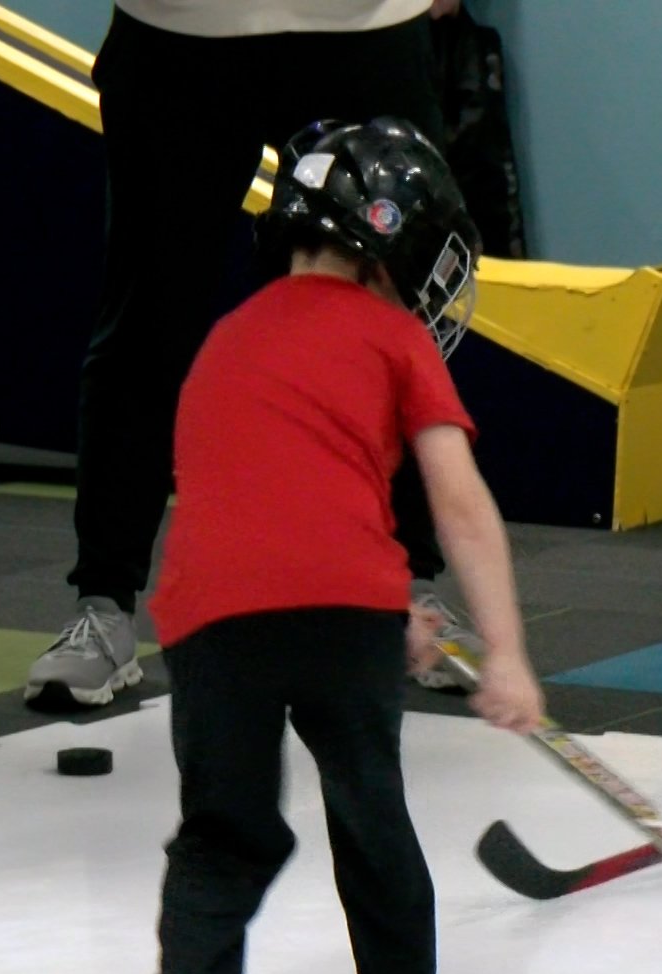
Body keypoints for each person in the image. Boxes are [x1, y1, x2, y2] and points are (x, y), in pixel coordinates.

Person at [136, 117, 543, 974]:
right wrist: (506, 652)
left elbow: (257, 510)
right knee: (373, 829)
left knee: (223, 837)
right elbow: (460, 508)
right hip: (343, 609)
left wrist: (378, 609)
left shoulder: (225, 341)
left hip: (206, 615)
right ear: (395, 238)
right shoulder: (398, 336)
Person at [26, 0, 477, 710]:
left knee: (391, 313)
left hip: (361, 27)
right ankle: (103, 607)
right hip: (179, 29)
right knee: (147, 318)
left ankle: (409, 591)